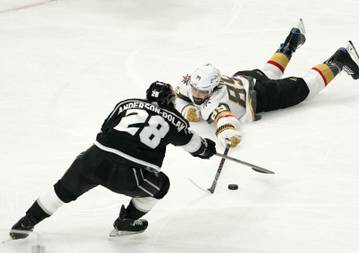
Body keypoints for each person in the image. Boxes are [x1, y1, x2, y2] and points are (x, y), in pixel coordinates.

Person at [9, 81, 216, 239]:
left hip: (93, 159)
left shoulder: (126, 104)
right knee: (161, 185)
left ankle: (27, 221)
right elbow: (195, 146)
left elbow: (106, 127)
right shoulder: (176, 119)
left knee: (63, 190)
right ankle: (126, 221)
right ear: (170, 100)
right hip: (129, 175)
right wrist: (208, 149)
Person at [175, 19, 359, 148]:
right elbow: (179, 95)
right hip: (245, 78)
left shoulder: (213, 104)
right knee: (269, 72)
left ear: (214, 88)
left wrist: (226, 133)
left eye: (203, 92)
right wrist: (186, 110)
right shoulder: (191, 83)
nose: (197, 95)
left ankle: (339, 60)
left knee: (304, 88)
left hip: (261, 95)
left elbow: (223, 118)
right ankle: (292, 40)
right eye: (195, 89)